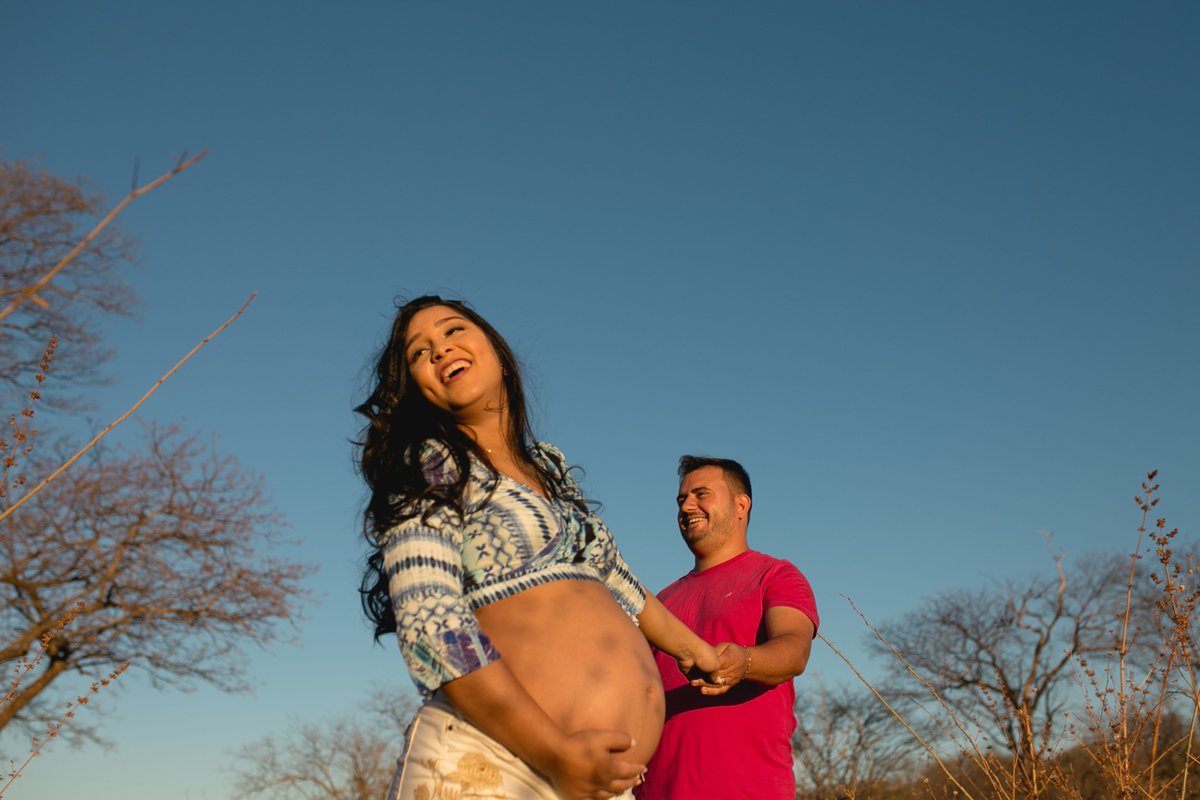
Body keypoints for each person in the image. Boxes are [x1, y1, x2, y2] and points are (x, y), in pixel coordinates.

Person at [355, 296, 722, 800]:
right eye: (419, 352)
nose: (440, 350)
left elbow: (617, 580)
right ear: (419, 389)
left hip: (603, 783)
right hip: (493, 764)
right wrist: (552, 752)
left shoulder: (550, 472)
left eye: (453, 331)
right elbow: (430, 622)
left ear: (499, 355)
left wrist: (696, 651)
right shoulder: (431, 464)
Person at [635, 456, 819, 800]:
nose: (687, 505)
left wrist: (742, 662)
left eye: (701, 494)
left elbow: (795, 651)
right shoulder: (660, 603)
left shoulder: (775, 575)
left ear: (740, 504)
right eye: (681, 499)